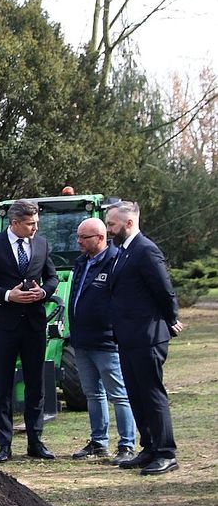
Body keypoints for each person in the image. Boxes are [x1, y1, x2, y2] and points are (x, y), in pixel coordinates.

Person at [0, 199, 59, 463]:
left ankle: (36, 442)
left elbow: (52, 277)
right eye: (30, 224)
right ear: (15, 223)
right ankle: (4, 445)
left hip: (34, 324)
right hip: (5, 325)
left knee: (37, 384)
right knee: (3, 386)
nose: (35, 229)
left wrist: (44, 291)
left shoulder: (41, 244)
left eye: (37, 224)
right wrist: (8, 295)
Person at [105, 201, 184, 476]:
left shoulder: (146, 251)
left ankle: (166, 452)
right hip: (128, 337)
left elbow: (164, 290)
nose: (108, 229)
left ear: (128, 224)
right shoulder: (123, 252)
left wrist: (171, 319)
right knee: (136, 395)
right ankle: (149, 447)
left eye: (112, 224)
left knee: (151, 394)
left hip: (147, 336)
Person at [67, 218, 137, 464]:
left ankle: (127, 445)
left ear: (100, 238)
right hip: (81, 341)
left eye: (83, 238)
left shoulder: (116, 261)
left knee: (118, 394)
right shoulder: (80, 263)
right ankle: (98, 442)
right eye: (78, 237)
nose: (79, 242)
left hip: (106, 342)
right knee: (92, 394)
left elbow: (122, 301)